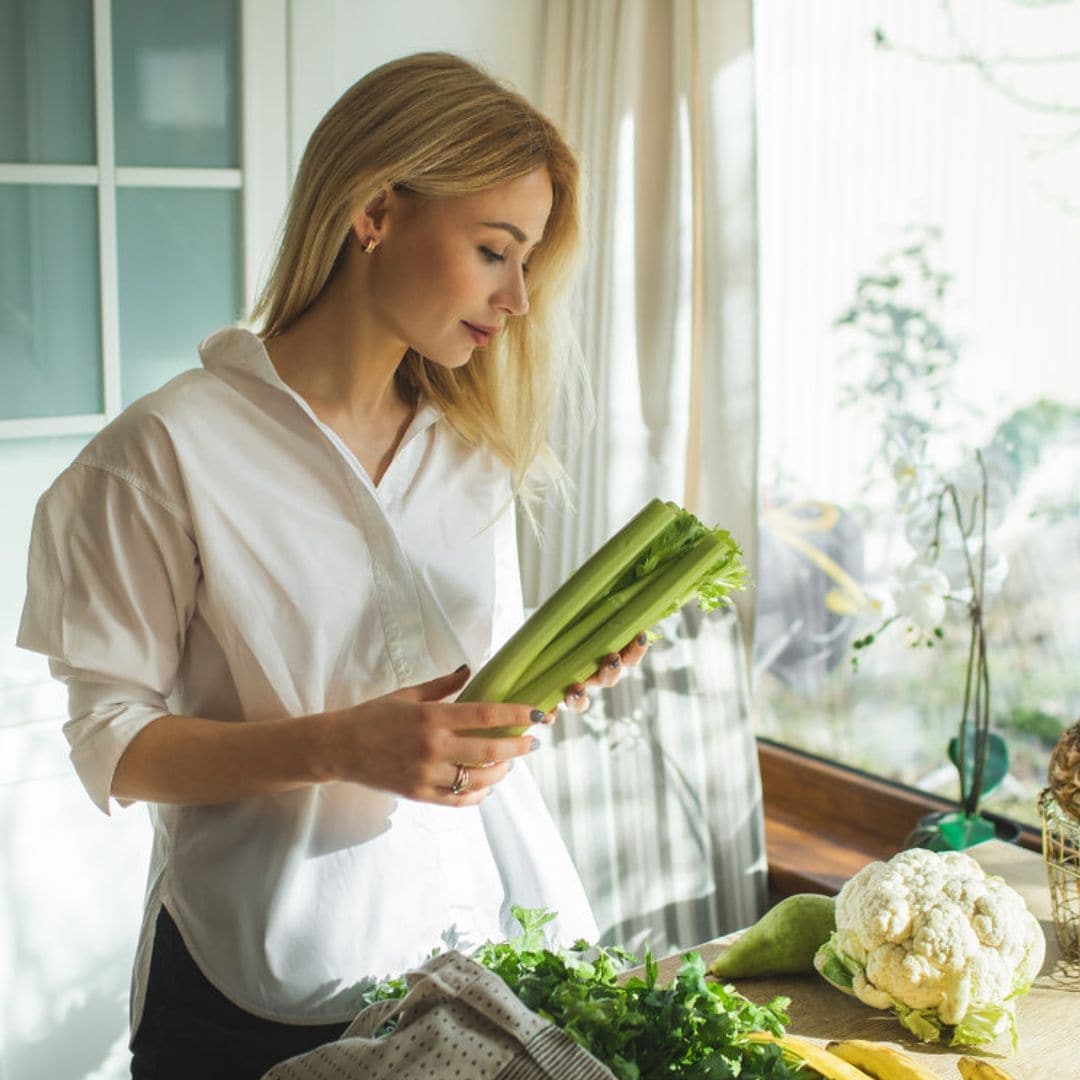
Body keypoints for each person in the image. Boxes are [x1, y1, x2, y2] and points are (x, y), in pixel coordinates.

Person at [17, 52, 648, 1079]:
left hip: (462, 973)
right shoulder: (165, 453)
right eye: (495, 250)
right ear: (375, 212)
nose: (519, 297)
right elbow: (112, 745)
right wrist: (341, 745)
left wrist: (538, 688)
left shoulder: (471, 451)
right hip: (250, 992)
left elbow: (461, 715)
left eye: (527, 260)